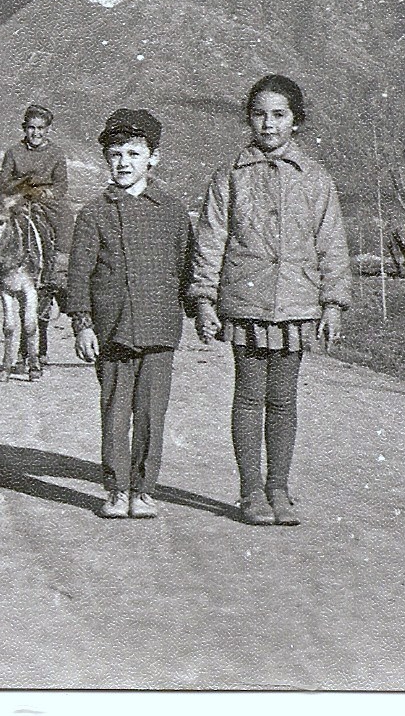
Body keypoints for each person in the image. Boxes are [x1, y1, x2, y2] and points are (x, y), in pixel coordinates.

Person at [190, 75, 352, 526]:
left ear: (296, 122)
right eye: (260, 113)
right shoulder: (229, 178)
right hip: (246, 302)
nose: (269, 123)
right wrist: (204, 299)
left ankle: (279, 488)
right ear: (249, 118)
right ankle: (250, 492)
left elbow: (332, 243)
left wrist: (333, 303)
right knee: (248, 397)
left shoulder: (316, 179)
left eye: (279, 114)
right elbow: (210, 240)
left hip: (298, 303)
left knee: (283, 400)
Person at [67, 109, 195, 520]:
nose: (124, 162)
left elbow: (187, 267)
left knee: (152, 415)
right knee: (115, 413)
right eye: (115, 154)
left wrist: (201, 312)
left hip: (159, 328)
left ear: (153, 158)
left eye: (134, 154)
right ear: (106, 159)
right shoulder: (94, 213)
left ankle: (143, 490)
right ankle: (116, 489)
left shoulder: (173, 211)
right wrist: (83, 324)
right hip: (113, 330)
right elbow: (79, 273)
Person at [0, 104, 70, 293]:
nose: (35, 133)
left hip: (46, 200)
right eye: (31, 127)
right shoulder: (14, 152)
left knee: (65, 219)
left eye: (40, 128)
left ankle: (59, 269)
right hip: (19, 197)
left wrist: (47, 193)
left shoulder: (56, 153)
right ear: (24, 128)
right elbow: (3, 179)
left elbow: (61, 184)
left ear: (47, 130)